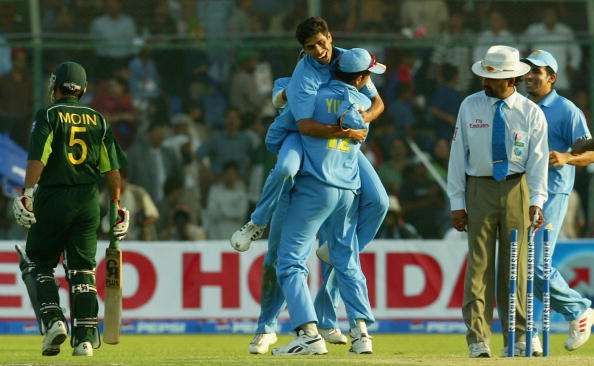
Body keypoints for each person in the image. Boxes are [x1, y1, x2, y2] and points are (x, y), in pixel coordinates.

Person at [232, 17, 388, 354]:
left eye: (322, 42)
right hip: (304, 140)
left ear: (330, 37)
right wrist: (347, 128)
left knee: (379, 204)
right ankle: (266, 322)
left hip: (339, 148)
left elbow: (377, 104)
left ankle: (322, 321)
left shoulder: (350, 61)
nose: (320, 51)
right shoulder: (304, 76)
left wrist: (359, 123)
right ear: (302, 50)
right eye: (311, 47)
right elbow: (303, 125)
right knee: (286, 172)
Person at [12, 61, 129, 357]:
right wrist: (117, 205)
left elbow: (38, 157)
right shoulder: (99, 119)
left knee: (37, 262)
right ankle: (85, 339)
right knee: (83, 271)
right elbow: (112, 170)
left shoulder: (49, 115)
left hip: (54, 198)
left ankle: (53, 322)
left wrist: (27, 193)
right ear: (83, 88)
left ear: (56, 86)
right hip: (90, 202)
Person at [272, 48, 383, 356]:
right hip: (348, 190)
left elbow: (281, 132)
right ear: (360, 79)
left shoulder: (312, 97)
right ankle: (361, 334)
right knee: (346, 260)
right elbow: (367, 114)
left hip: (314, 187)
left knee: (291, 261)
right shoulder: (361, 105)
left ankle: (308, 335)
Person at [447, 45, 548, 358]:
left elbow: (538, 161)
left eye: (492, 79)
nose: (485, 83)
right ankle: (478, 338)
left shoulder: (531, 112)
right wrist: (457, 202)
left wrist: (538, 200)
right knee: (479, 267)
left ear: (511, 80)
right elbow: (456, 156)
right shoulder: (469, 106)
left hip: (517, 189)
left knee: (514, 268)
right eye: (484, 77)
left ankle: (518, 336)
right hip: (479, 188)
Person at [522, 49, 594, 351]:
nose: (530, 76)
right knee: (521, 267)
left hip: (552, 192)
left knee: (536, 265)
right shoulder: (519, 106)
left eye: (537, 72)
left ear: (551, 77)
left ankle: (578, 309)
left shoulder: (567, 111)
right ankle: (532, 332)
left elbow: (590, 153)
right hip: (521, 193)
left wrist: (566, 156)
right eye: (527, 71)